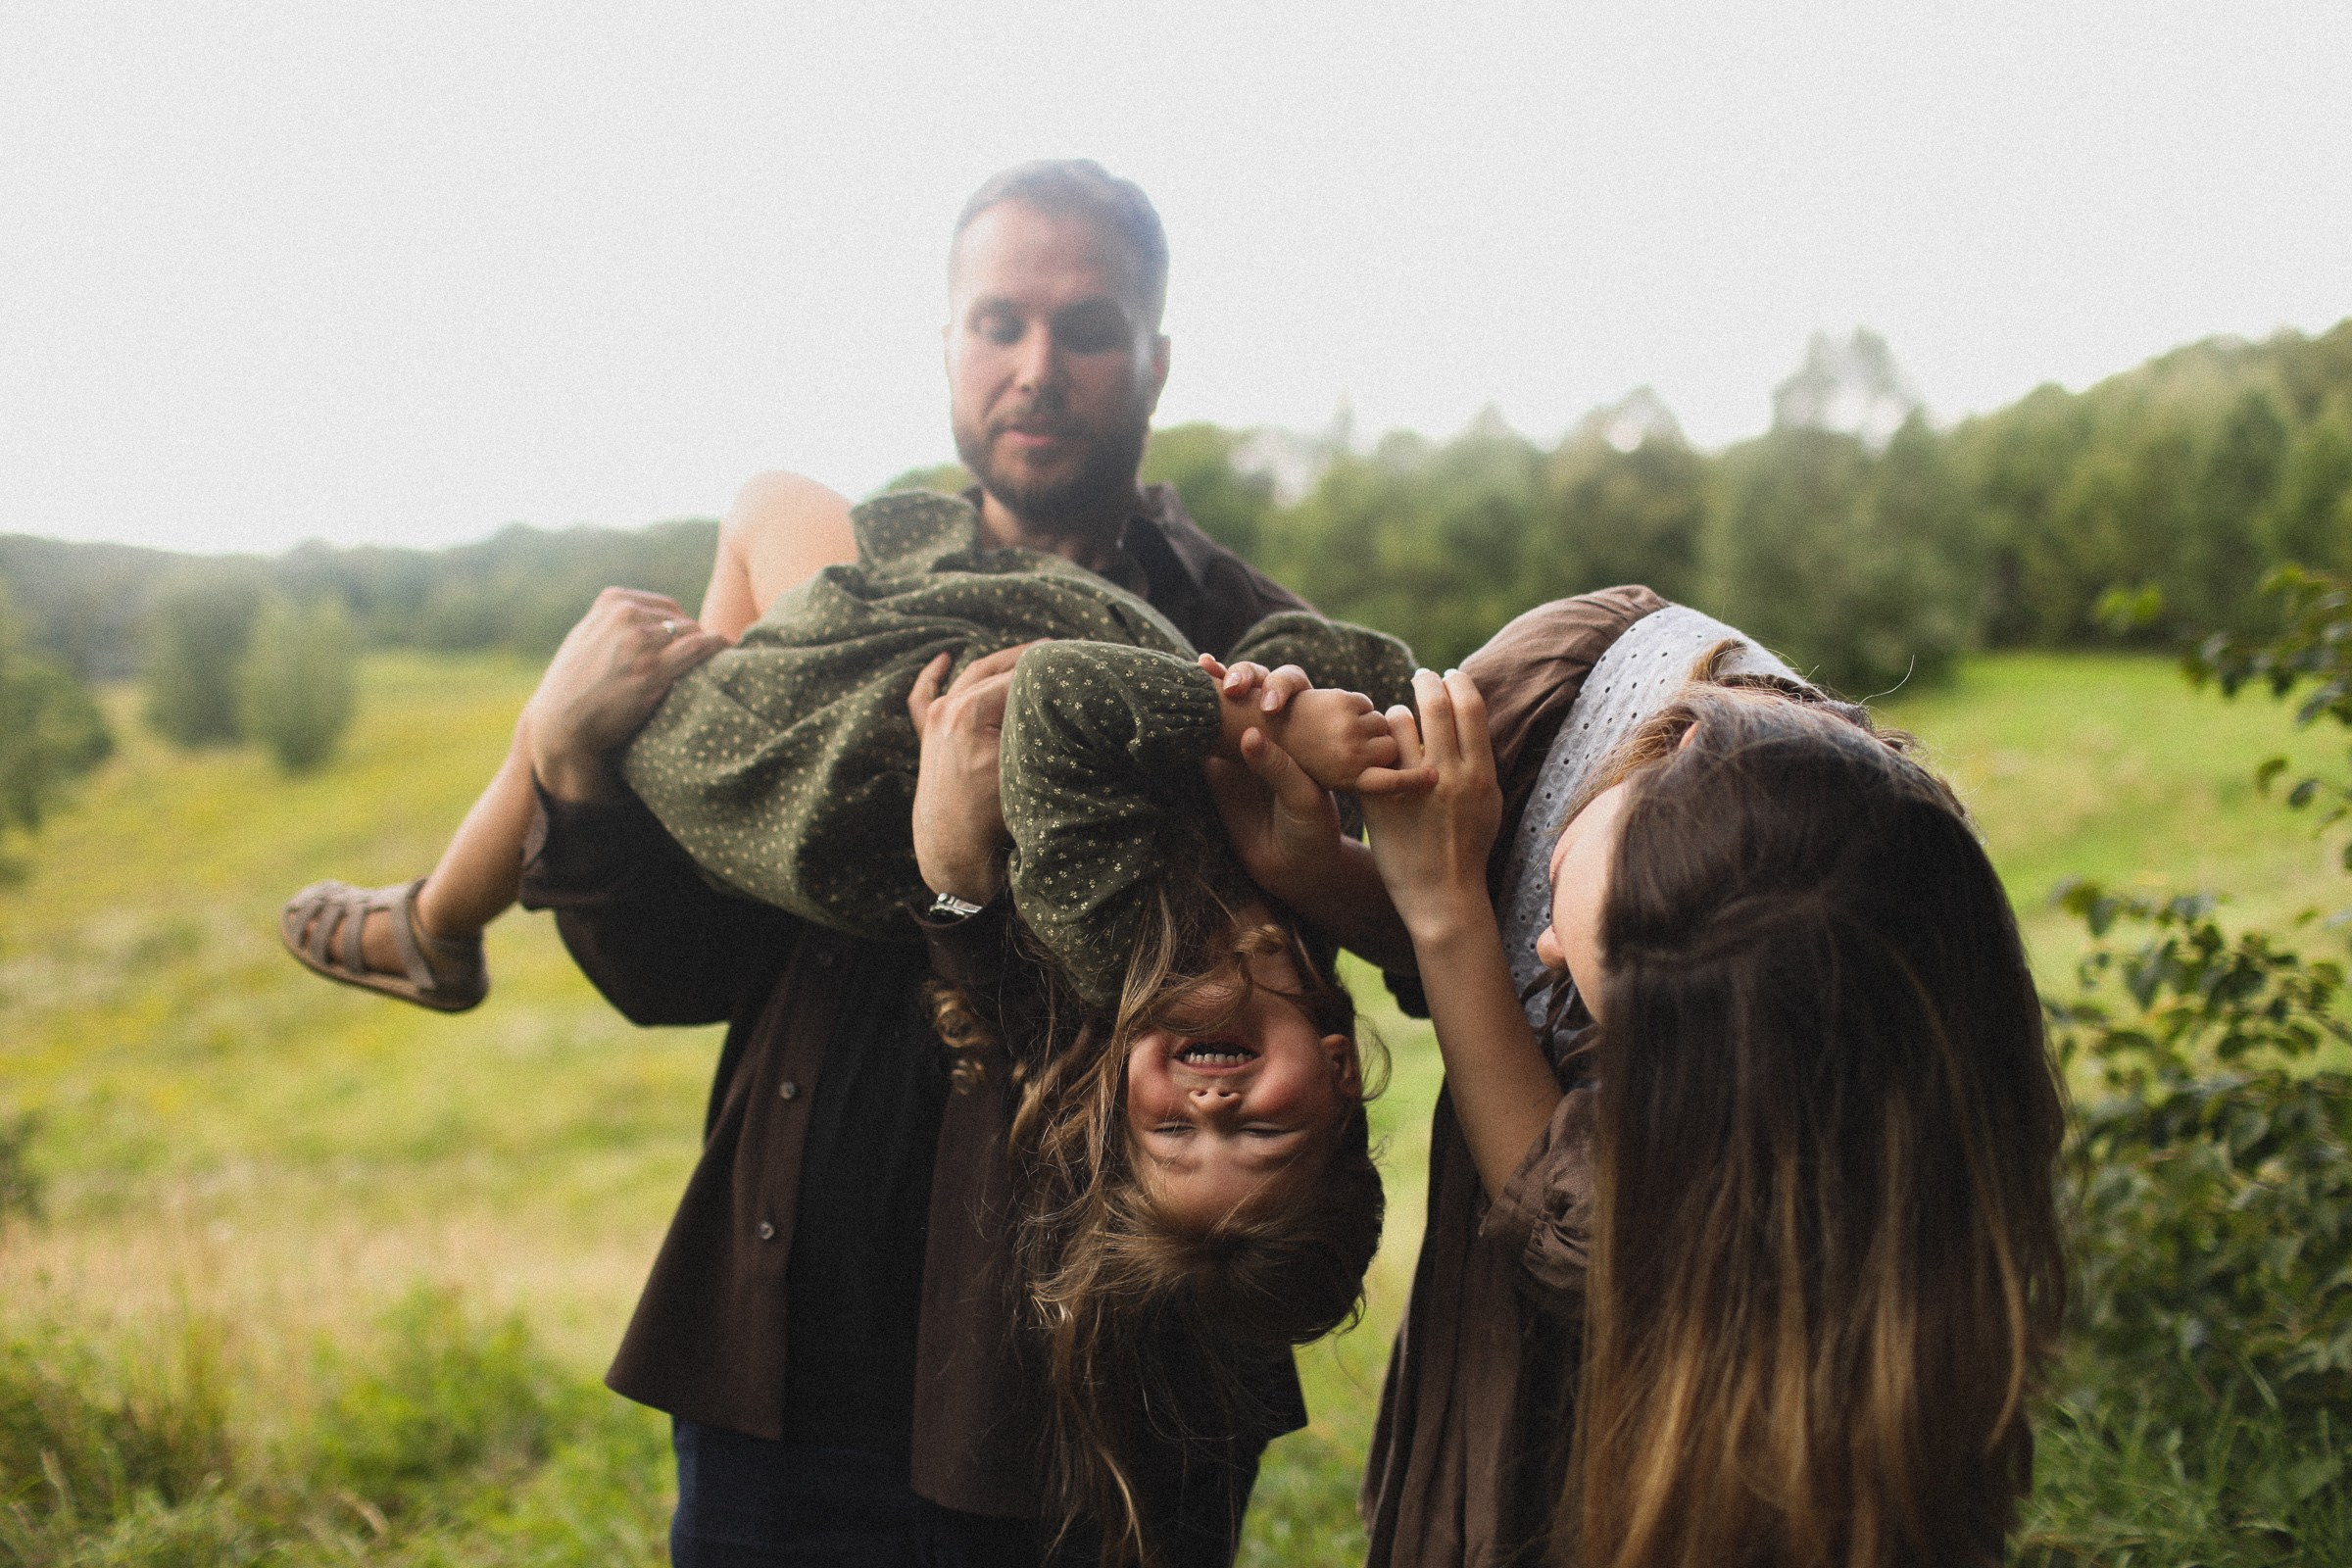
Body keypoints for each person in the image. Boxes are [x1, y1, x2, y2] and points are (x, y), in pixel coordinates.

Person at [288, 160, 1362, 1566]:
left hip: (1105, 1395)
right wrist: (563, 764)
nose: (1038, 368)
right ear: (948, 346)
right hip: (780, 1359)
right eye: (1000, 323)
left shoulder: (1245, 650)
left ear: (1155, 359)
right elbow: (674, 975)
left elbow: (1284, 1024)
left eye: (1088, 328)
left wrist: (963, 871)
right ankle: (441, 923)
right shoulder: (859, 577)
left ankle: (435, 920)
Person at [1219, 592, 2068, 1567]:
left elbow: (1580, 1219)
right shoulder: (1585, 680)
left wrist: (1445, 909)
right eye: (1554, 920)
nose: (1535, 942)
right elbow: (1516, 955)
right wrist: (1335, 870)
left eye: (1571, 968)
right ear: (1686, 743)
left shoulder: (1843, 967)